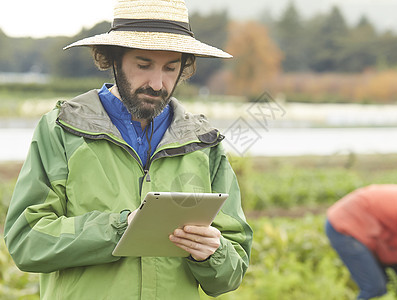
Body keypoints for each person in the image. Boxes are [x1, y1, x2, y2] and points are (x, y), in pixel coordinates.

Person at [4, 0, 253, 299]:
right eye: (143, 65)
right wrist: (120, 228)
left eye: (171, 68)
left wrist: (212, 253)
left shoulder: (205, 142)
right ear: (112, 59)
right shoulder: (62, 130)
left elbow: (231, 272)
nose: (157, 83)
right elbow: (27, 241)